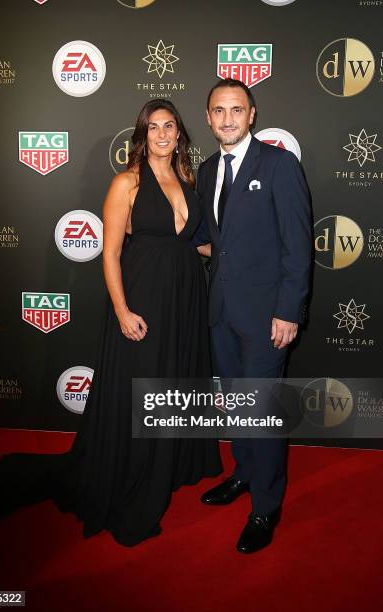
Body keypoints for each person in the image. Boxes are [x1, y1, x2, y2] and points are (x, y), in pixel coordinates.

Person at [0, 99, 222, 547]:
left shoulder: (188, 181)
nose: (161, 134)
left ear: (179, 133)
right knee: (142, 383)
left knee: (174, 378)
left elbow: (188, 245)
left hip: (185, 300)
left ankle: (172, 460)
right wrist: (122, 310)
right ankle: (136, 468)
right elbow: (111, 252)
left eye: (169, 126)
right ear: (143, 135)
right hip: (143, 300)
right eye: (153, 127)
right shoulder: (126, 183)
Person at [195, 78, 312, 554]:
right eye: (219, 111)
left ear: (252, 114)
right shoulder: (206, 170)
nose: (227, 119)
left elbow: (298, 246)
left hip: (267, 318)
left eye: (236, 110)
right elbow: (210, 238)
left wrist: (289, 311)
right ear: (208, 118)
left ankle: (266, 505)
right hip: (221, 312)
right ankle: (243, 473)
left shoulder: (280, 165)